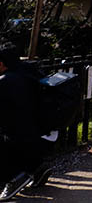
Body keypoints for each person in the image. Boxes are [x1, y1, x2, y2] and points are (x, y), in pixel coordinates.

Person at [0, 44, 51, 201]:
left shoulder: (6, 81)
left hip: (18, 136)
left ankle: (14, 179)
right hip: (39, 130)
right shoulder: (28, 73)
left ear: (2, 63)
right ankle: (38, 168)